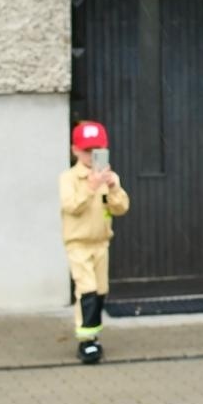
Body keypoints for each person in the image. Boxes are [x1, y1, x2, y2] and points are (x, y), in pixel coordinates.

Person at [58, 120, 131, 365]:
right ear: (75, 151)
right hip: (78, 243)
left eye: (97, 150)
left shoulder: (109, 177)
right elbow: (71, 207)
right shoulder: (69, 178)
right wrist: (90, 187)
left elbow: (121, 208)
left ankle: (94, 335)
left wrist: (111, 188)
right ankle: (86, 342)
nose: (91, 156)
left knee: (100, 292)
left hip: (101, 243)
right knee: (86, 290)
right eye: (86, 151)